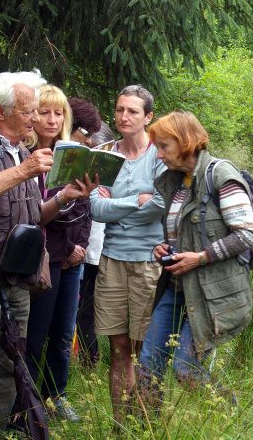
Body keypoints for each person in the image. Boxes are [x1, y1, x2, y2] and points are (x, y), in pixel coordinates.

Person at [0, 70, 94, 440]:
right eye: (28, 112)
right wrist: (23, 171)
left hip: (17, 275)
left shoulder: (22, 153)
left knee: (11, 367)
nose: (35, 118)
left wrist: (63, 199)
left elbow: (34, 216)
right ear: (1, 112)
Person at [137, 110, 253, 413]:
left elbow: (246, 234)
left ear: (185, 142)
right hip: (175, 288)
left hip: (210, 292)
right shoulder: (175, 182)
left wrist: (200, 258)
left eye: (164, 146)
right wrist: (166, 247)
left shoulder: (220, 175)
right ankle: (144, 429)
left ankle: (230, 414)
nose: (159, 154)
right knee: (147, 367)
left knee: (186, 370)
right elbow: (184, 233)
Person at [17, 89, 102, 424]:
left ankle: (57, 396)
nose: (52, 121)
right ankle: (27, 405)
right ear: (31, 116)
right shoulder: (25, 157)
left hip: (72, 259)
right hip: (43, 258)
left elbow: (84, 208)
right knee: (35, 335)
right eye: (44, 113)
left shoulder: (71, 155)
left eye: (58, 114)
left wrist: (78, 249)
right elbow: (31, 216)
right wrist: (66, 250)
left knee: (64, 335)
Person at [89, 85, 166, 425]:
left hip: (150, 262)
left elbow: (163, 206)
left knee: (145, 350)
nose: (123, 117)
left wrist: (114, 204)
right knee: (118, 349)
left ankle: (145, 425)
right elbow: (95, 208)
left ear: (149, 116)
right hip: (112, 260)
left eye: (133, 111)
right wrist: (136, 200)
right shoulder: (105, 153)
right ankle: (123, 426)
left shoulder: (160, 154)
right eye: (119, 109)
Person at [76, 122, 115, 368]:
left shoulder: (116, 173)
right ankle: (89, 359)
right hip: (85, 251)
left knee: (99, 308)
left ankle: (97, 359)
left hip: (103, 250)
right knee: (84, 309)